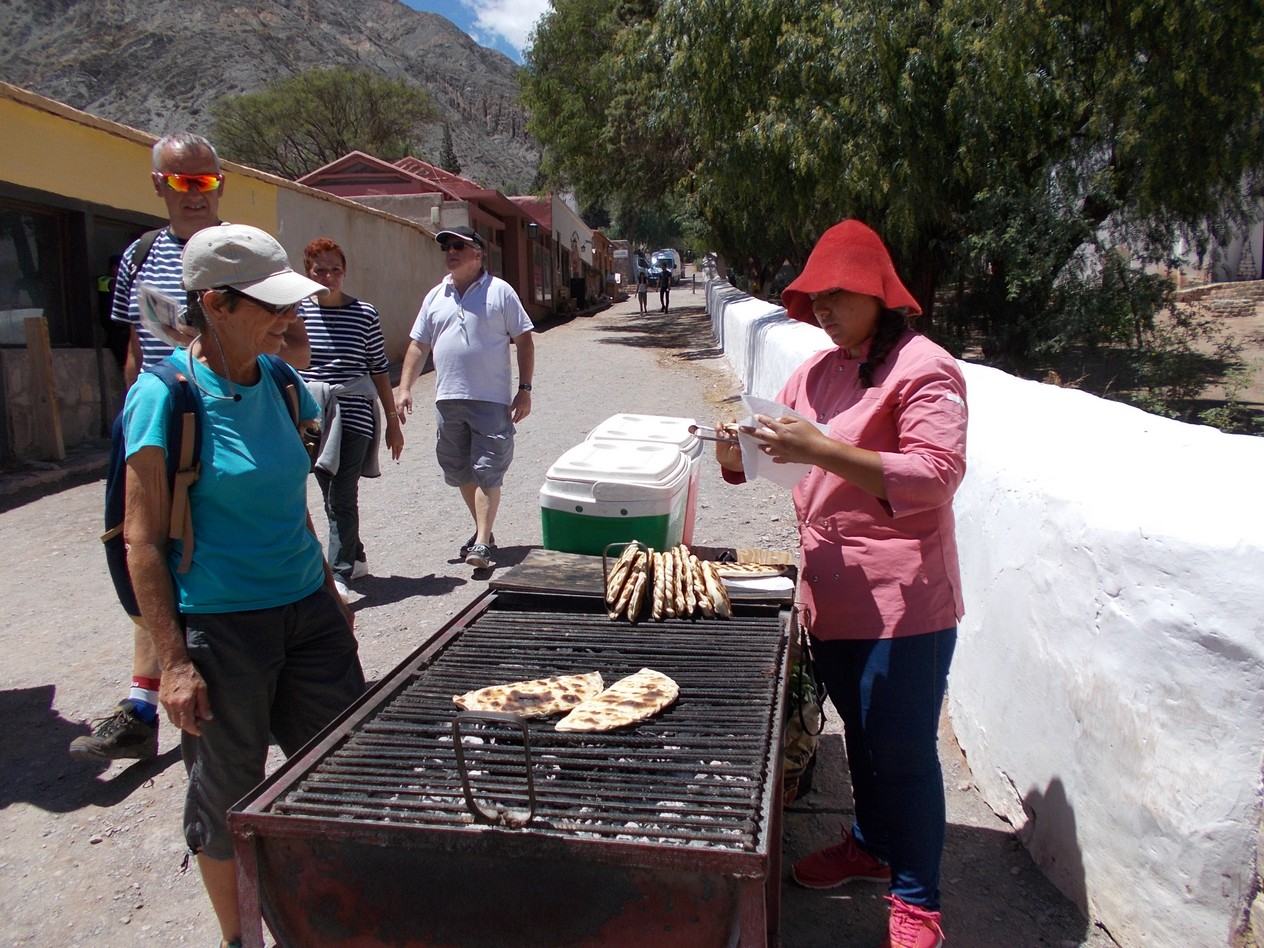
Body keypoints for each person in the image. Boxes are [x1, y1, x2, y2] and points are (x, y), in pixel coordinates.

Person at [714, 219, 966, 948]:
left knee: (904, 748)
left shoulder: (924, 369)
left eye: (838, 295)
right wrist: (739, 454)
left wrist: (825, 445)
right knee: (858, 730)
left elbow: (936, 475)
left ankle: (918, 901)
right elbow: (783, 461)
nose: (822, 309)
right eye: (814, 296)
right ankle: (869, 842)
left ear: (879, 295)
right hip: (831, 590)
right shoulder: (817, 372)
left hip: (903, 599)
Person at [123, 224, 365, 948]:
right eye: (271, 305)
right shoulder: (163, 396)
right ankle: (240, 938)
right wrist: (172, 661)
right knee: (227, 798)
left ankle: (334, 914)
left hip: (306, 613)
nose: (290, 317)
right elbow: (140, 540)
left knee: (345, 765)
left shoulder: (286, 383)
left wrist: (328, 596)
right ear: (217, 304)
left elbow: (293, 508)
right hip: (221, 629)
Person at [70, 132, 310, 763]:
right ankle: (145, 697)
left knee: (203, 552)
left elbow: (291, 335)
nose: (196, 193)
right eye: (183, 181)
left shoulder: (244, 254)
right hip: (163, 420)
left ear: (220, 183)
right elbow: (132, 347)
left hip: (228, 414)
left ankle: (175, 693)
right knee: (149, 547)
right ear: (160, 185)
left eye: (206, 181)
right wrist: (136, 420)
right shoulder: (140, 256)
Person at [393, 225, 535, 569]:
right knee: (458, 470)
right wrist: (405, 386)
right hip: (447, 399)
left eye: (459, 246)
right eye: (447, 248)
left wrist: (525, 389)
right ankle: (483, 532)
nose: (451, 252)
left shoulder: (500, 292)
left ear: (478, 253)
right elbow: (418, 344)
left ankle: (483, 542)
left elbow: (525, 340)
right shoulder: (435, 296)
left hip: (490, 399)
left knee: (488, 469)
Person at [298, 237, 405, 600]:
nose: (328, 277)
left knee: (341, 496)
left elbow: (379, 369)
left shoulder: (364, 313)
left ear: (345, 272)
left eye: (335, 270)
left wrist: (392, 421)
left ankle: (339, 576)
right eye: (320, 270)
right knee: (330, 494)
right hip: (311, 415)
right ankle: (355, 557)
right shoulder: (296, 312)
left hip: (354, 413)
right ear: (307, 272)